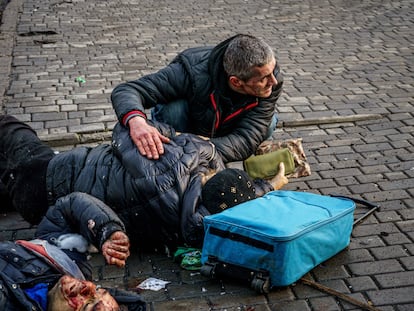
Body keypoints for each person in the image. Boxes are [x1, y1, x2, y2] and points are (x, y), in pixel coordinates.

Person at [0, 114, 288, 252]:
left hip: (45, 175)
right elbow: (233, 200)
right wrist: (271, 185)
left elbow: (124, 131)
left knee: (10, 128)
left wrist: (163, 131)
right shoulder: (195, 230)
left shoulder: (172, 162)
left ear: (211, 175)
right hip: (47, 207)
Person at [111, 34, 283, 163]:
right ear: (236, 82)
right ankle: (173, 156)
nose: (273, 81)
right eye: (263, 78)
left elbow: (246, 139)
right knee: (174, 109)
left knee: (269, 123)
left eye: (272, 71)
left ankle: (200, 157)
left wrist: (200, 150)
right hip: (186, 128)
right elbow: (128, 90)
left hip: (220, 133)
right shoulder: (190, 71)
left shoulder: (272, 79)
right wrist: (137, 122)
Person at [0, 191, 145, 310]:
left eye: (86, 304)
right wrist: (107, 230)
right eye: (98, 290)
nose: (86, 286)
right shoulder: (67, 264)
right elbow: (68, 207)